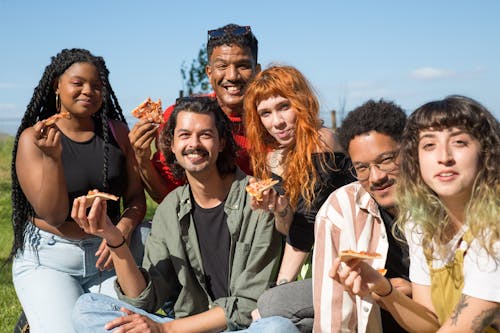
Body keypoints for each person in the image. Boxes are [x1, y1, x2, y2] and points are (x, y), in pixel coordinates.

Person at [71, 97, 295, 332]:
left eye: (206, 135)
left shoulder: (258, 201)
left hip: (240, 328)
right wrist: (114, 238)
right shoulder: (170, 208)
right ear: (172, 145)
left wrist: (166, 330)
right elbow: (144, 299)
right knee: (87, 308)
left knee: (278, 328)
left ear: (221, 143)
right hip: (184, 327)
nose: (194, 144)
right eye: (185, 135)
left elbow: (248, 306)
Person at [331, 95, 500, 332]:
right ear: (414, 158)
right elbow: (429, 323)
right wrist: (383, 288)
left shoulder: (493, 227)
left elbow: (462, 326)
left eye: (459, 142)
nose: (444, 157)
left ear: (486, 152)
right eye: (429, 145)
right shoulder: (422, 224)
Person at [10, 48, 146, 333]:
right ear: (57, 85)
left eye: (97, 86)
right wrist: (52, 159)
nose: (89, 91)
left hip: (108, 258)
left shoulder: (118, 132)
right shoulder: (35, 138)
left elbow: (135, 198)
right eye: (78, 83)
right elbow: (55, 215)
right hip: (50, 260)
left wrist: (121, 231)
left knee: (125, 328)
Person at [243, 65, 355, 332]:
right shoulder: (278, 158)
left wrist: (280, 287)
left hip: (347, 262)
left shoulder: (321, 141)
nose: (277, 122)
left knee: (269, 307)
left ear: (302, 102)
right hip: (313, 265)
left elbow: (306, 227)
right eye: (266, 113)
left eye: (284, 107)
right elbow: (288, 229)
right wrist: (281, 210)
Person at [129, 23, 260, 203]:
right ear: (209, 72)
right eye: (222, 66)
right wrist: (141, 159)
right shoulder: (182, 117)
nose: (232, 76)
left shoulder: (274, 123)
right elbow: (168, 197)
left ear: (257, 71)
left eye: (243, 65)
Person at [313, 99, 411, 332]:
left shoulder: (445, 201)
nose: (376, 177)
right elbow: (333, 313)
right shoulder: (339, 210)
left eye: (386, 161)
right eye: (362, 168)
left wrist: (410, 292)